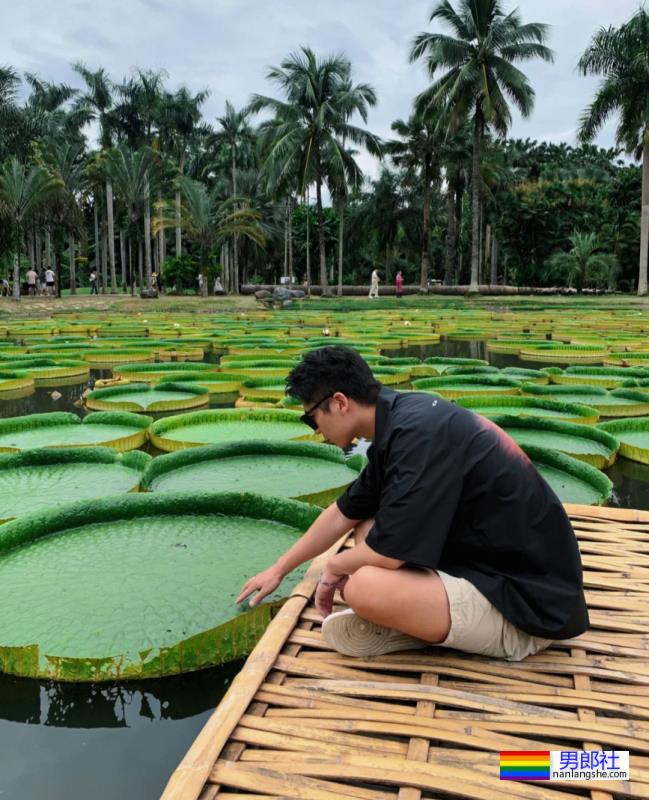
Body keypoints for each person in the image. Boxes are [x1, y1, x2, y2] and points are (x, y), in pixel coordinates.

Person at [237, 346, 589, 661]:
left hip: (527, 611)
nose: (314, 429)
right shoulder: (403, 420)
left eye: (311, 417)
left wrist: (334, 568)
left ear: (340, 403)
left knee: (363, 586)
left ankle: (408, 626)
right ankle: (413, 618)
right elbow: (343, 513)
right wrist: (279, 569)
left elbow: (387, 555)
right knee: (365, 523)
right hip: (488, 565)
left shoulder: (417, 434)